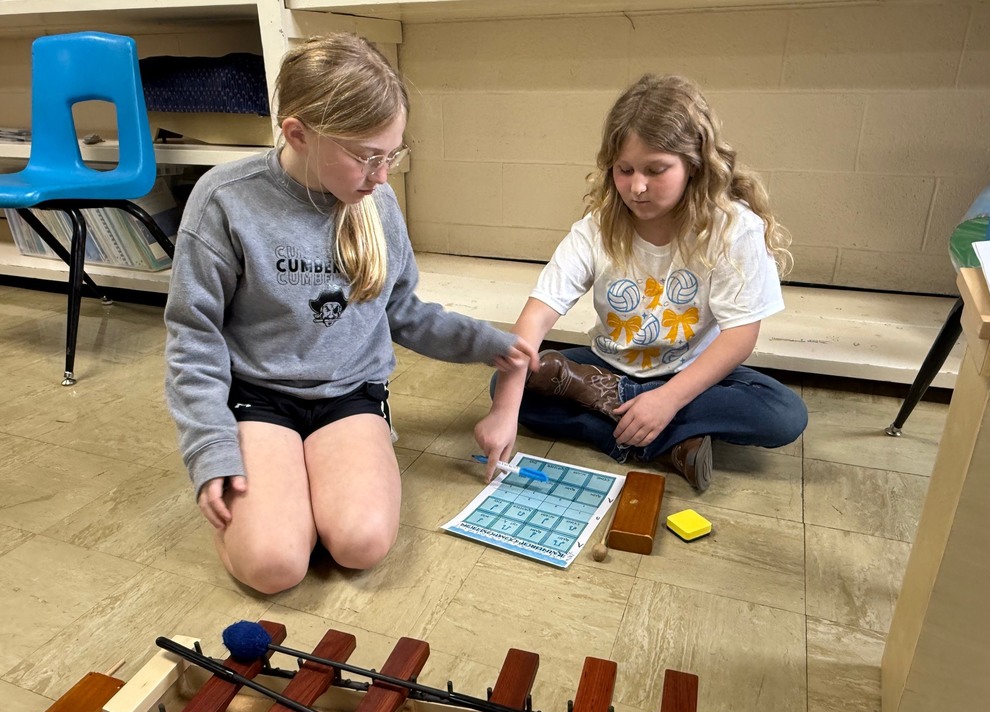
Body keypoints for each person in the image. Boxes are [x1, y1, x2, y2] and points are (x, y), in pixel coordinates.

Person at [164, 33, 536, 595]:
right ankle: (281, 496)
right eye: (366, 156)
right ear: (297, 133)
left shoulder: (374, 200)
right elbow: (195, 336)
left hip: (350, 394)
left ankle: (309, 484)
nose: (384, 175)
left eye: (393, 154)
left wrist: (484, 341)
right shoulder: (225, 200)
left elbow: (402, 310)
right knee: (273, 566)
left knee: (361, 544)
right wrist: (210, 446)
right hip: (257, 397)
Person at [475, 74, 807, 492]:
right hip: (607, 363)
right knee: (502, 386)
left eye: (656, 170)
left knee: (783, 414)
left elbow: (739, 336)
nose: (637, 187)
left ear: (695, 164)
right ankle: (667, 444)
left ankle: (620, 411)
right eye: (624, 170)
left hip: (689, 372)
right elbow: (536, 315)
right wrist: (504, 410)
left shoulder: (733, 228)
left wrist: (667, 399)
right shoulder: (596, 229)